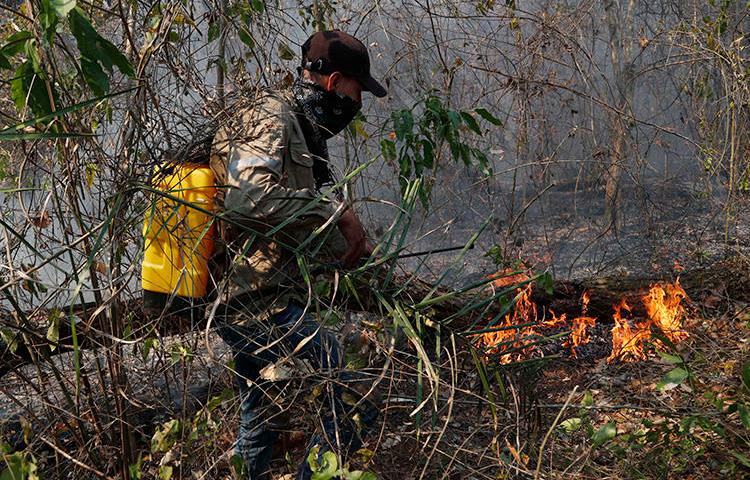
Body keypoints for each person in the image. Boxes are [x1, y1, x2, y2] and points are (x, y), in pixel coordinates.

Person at [209, 30, 387, 479]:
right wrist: (335, 212)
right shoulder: (271, 117)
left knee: (261, 420)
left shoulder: (297, 125)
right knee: (353, 401)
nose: (358, 102)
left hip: (253, 296)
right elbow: (249, 203)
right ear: (334, 83)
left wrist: (352, 251)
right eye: (357, 89)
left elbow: (287, 224)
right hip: (257, 302)